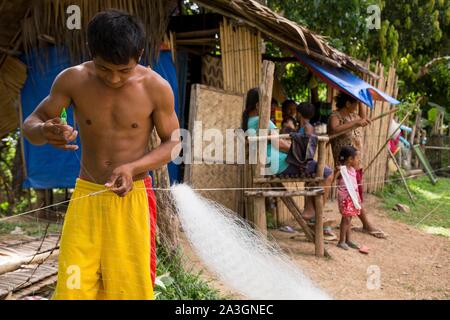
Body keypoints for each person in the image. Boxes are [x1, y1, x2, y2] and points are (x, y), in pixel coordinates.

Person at [22, 9, 181, 300]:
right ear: (91, 52)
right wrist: (45, 130)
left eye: (124, 69)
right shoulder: (72, 80)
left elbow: (174, 142)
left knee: (129, 289)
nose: (115, 78)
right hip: (86, 195)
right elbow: (30, 124)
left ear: (141, 53)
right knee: (74, 287)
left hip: (132, 199)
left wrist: (133, 167)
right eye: (105, 68)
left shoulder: (156, 88)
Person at [242, 88, 333, 221]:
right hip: (279, 164)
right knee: (328, 173)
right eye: (266, 103)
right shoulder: (264, 121)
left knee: (311, 171)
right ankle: (317, 215)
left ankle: (309, 210)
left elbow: (276, 142)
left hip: (268, 164)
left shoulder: (248, 122)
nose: (270, 107)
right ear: (257, 105)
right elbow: (278, 144)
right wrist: (297, 149)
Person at [328, 92, 387, 239]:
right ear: (348, 104)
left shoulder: (355, 117)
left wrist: (360, 96)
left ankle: (354, 226)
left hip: (356, 164)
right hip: (344, 166)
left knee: (356, 195)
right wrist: (355, 123)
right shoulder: (336, 116)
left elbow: (364, 118)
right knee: (353, 196)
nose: (357, 106)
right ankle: (365, 225)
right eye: (355, 103)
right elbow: (334, 130)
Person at [336, 146, 361, 250]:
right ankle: (341, 241)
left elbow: (354, 184)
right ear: (350, 159)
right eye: (357, 158)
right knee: (345, 219)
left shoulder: (352, 170)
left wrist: (357, 197)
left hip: (352, 198)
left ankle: (348, 240)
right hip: (345, 198)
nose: (358, 160)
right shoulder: (342, 170)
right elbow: (334, 178)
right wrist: (337, 171)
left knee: (349, 219)